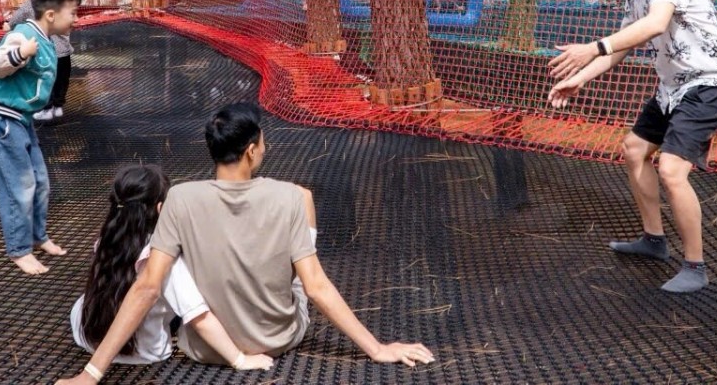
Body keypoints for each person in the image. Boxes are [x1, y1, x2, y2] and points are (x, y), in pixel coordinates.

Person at [54, 103, 434, 384]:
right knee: (303, 246)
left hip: (203, 349)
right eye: (263, 142)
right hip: (279, 338)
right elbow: (316, 288)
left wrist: (91, 374)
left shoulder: (180, 199)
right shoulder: (290, 197)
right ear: (251, 149)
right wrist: (378, 349)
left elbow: (147, 286)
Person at [547, 0, 717, 294]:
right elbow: (623, 44)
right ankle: (654, 241)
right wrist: (581, 77)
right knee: (635, 148)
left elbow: (654, 25)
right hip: (674, 87)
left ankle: (695, 266)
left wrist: (592, 47)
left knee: (671, 168)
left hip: (711, 81)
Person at [70, 164, 273, 370]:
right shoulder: (160, 257)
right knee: (191, 298)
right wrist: (239, 359)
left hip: (89, 339)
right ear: (161, 209)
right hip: (143, 351)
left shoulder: (107, 237)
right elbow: (198, 317)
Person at [0, 0, 84, 275]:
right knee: (20, 185)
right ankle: (19, 249)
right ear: (51, 15)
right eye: (73, 13)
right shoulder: (23, 36)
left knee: (40, 182)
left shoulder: (49, 39)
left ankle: (38, 236)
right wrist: (20, 54)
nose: (76, 19)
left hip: (22, 121)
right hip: (4, 122)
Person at [4, 0, 73, 122]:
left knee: (46, 80)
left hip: (47, 52)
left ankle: (47, 108)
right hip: (64, 52)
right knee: (62, 80)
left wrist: (9, 24)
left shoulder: (35, 1)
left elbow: (20, 14)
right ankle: (58, 107)